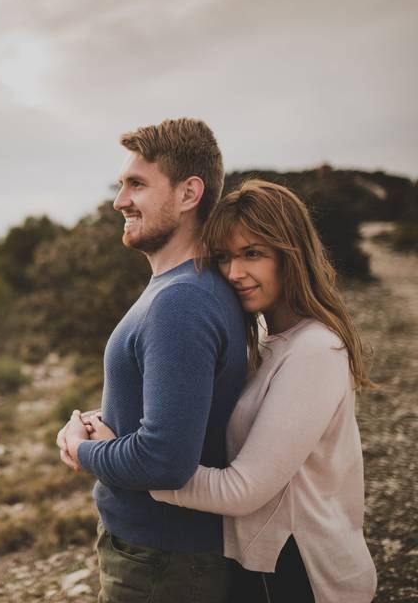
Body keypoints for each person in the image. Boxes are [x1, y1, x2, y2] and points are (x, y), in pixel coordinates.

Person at [84, 180, 377, 602]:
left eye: (253, 254)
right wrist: (110, 422)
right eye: (223, 257)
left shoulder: (315, 350)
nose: (235, 273)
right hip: (262, 566)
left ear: (291, 255)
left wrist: (135, 464)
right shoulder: (263, 336)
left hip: (302, 575)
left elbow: (242, 490)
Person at [56, 118, 248, 602]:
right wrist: (109, 419)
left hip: (160, 564)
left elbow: (165, 460)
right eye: (123, 184)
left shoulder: (180, 302)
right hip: (160, 558)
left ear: (189, 194)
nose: (120, 200)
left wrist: (82, 451)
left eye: (137, 185)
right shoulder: (184, 287)